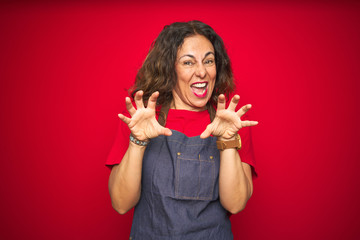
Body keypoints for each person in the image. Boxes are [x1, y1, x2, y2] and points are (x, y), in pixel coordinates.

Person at [106, 20, 258, 239]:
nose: (202, 72)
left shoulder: (231, 120)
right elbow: (121, 204)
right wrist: (137, 141)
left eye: (209, 61)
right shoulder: (141, 117)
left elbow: (235, 204)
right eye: (188, 62)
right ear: (170, 68)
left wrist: (228, 140)